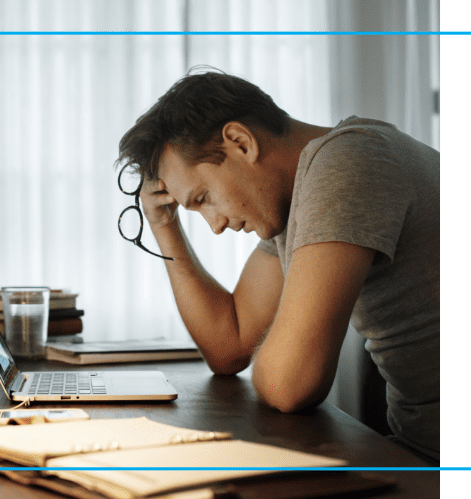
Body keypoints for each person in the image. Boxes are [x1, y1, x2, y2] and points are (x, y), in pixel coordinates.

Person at [116, 67, 440, 464]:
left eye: (203, 198)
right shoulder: (297, 200)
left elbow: (291, 384)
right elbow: (229, 347)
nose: (216, 224)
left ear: (240, 141)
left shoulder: (349, 162)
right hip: (418, 448)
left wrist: (281, 355)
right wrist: (163, 223)